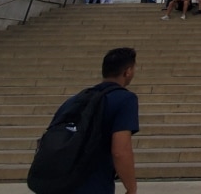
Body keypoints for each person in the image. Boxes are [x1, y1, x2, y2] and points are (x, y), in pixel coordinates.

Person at [50, 47, 139, 194]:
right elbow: (120, 151)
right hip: (95, 184)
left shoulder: (75, 100)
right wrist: (131, 189)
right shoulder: (125, 99)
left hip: (62, 183)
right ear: (127, 71)